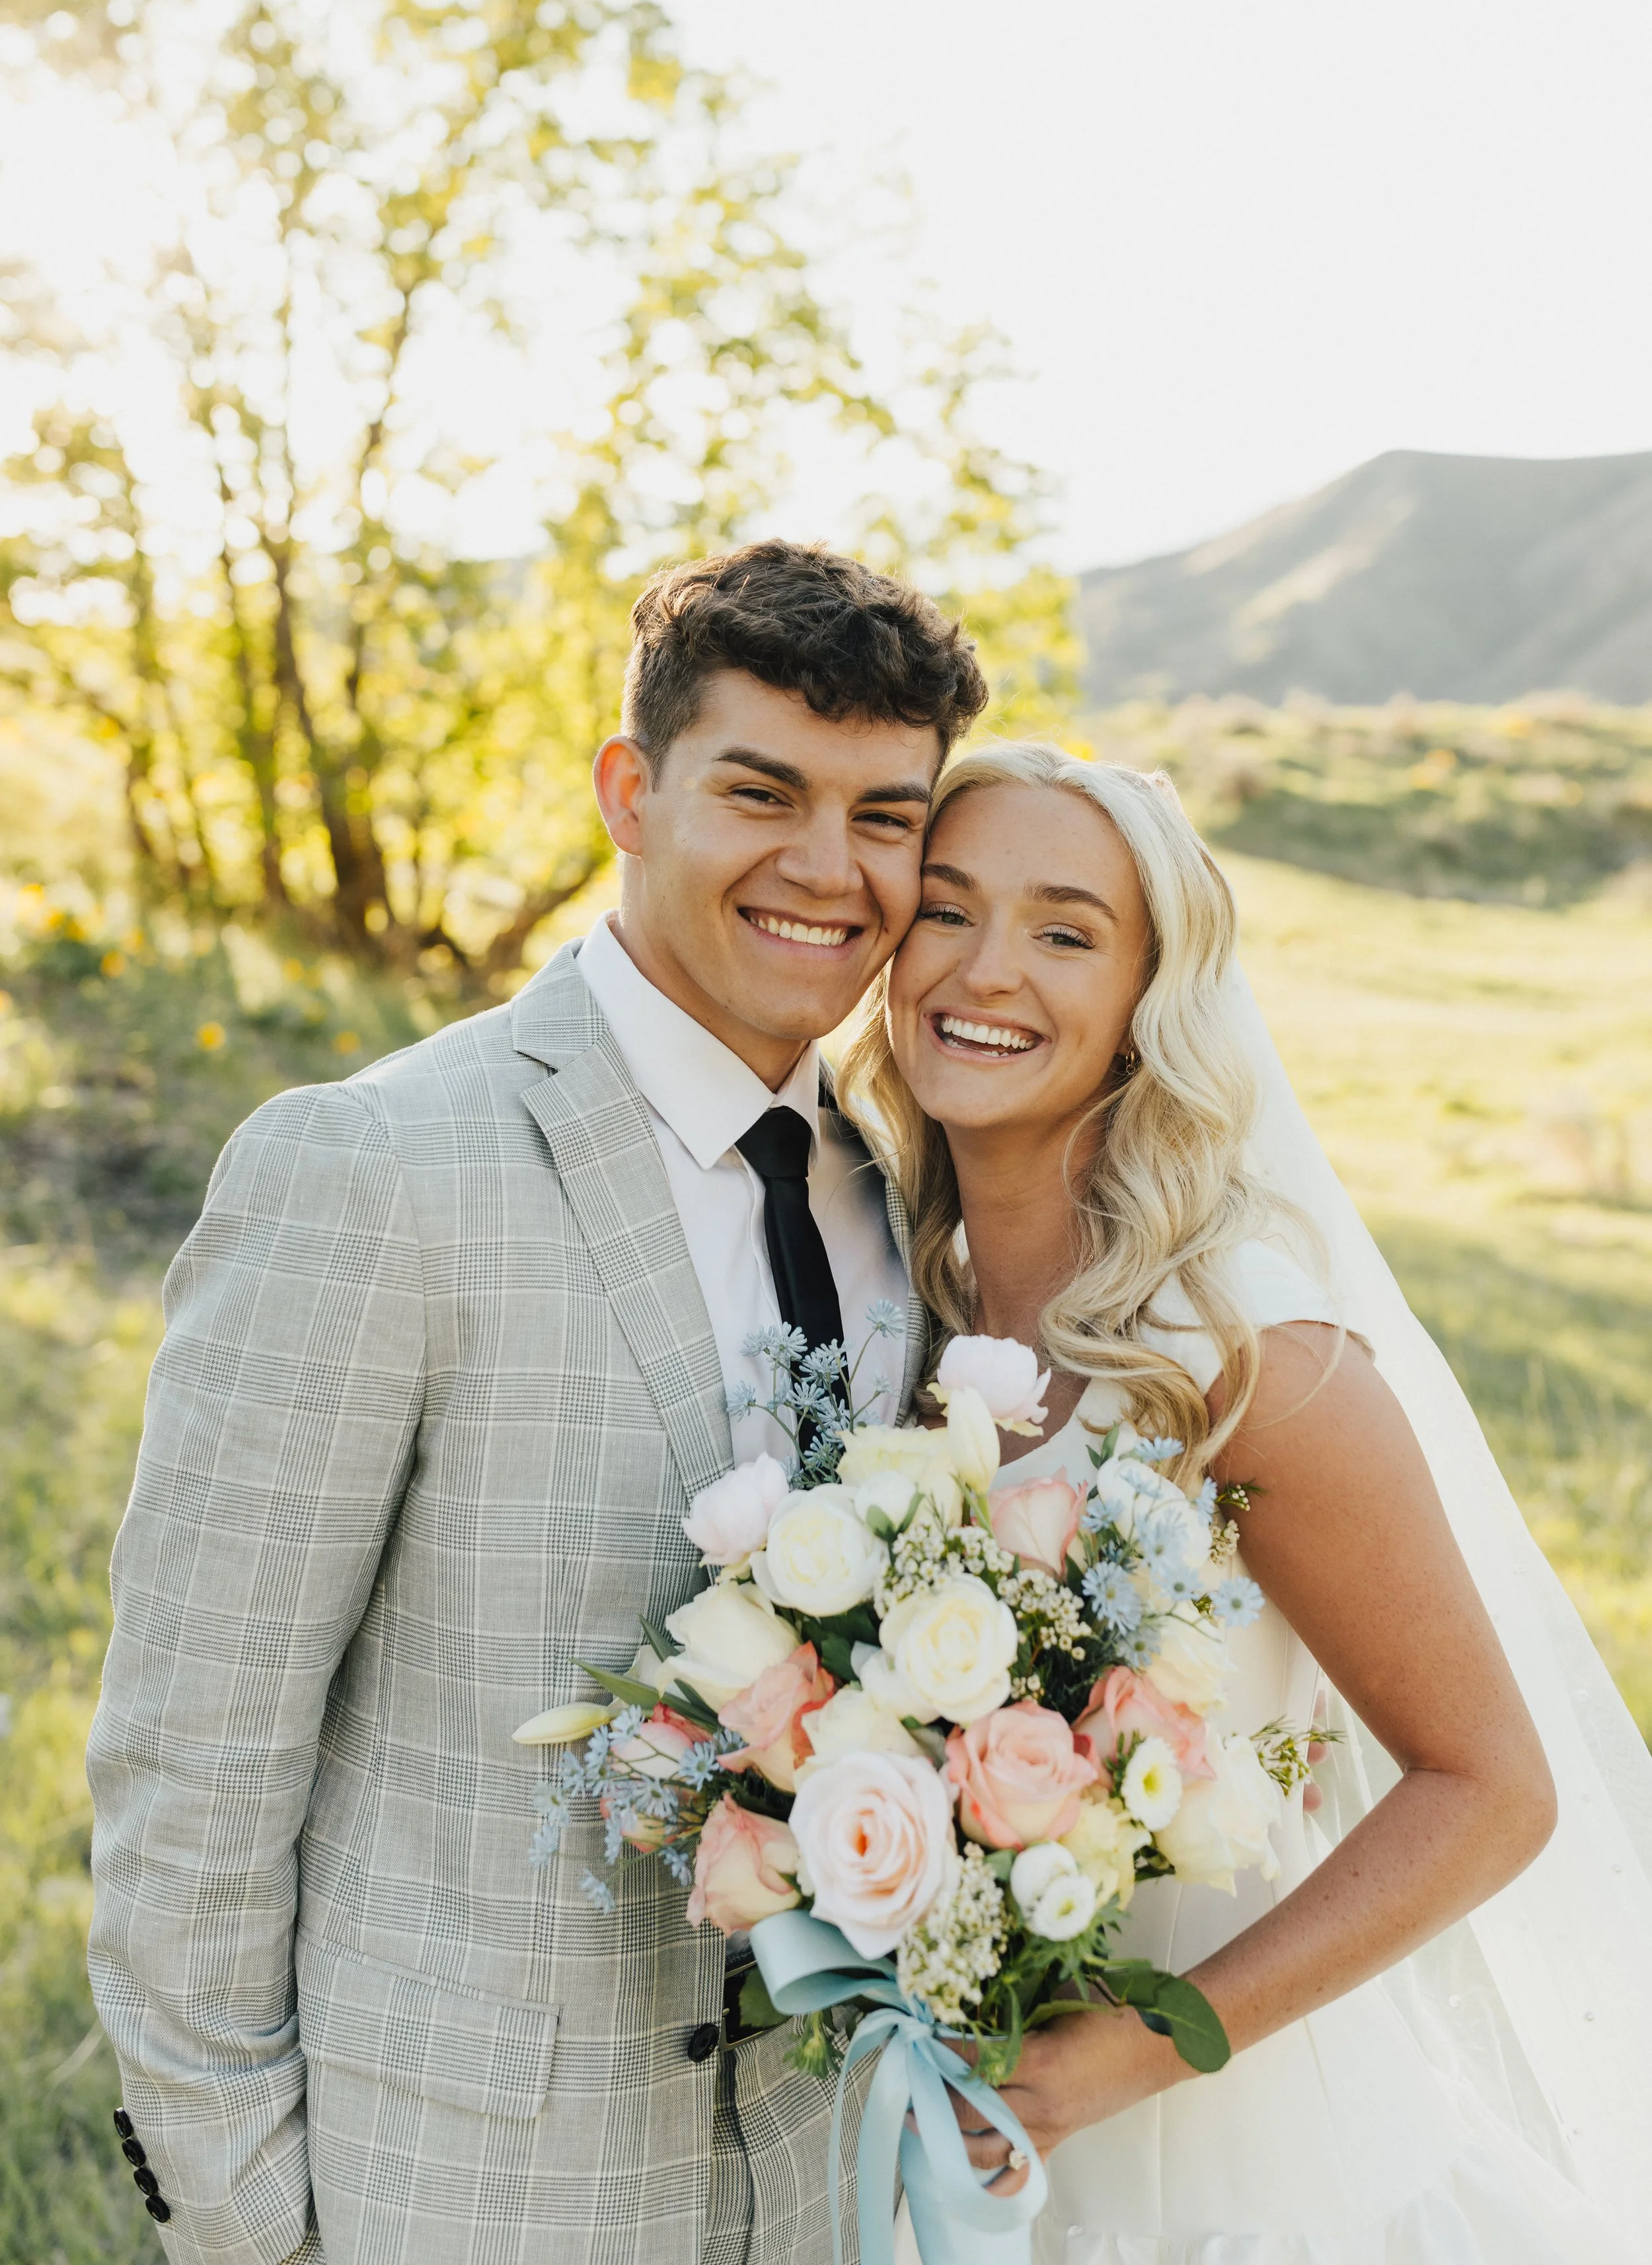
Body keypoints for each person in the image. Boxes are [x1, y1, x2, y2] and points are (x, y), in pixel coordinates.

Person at [85, 540, 987, 2265]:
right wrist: (246, 2226)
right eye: (761, 790)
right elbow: (192, 1761)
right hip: (456, 2194)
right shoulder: (369, 1169)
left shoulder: (900, 1196)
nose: (828, 866)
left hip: (816, 2190)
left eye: (885, 815)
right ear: (627, 792)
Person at [839, 738, 1652, 2263]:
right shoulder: (895, 1327)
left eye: (1065, 931)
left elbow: (1488, 1789)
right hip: (968, 2178)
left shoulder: (1244, 1357)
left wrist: (1113, 2060)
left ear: (1152, 1006)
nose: (985, 967)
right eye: (944, 910)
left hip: (1248, 2193)